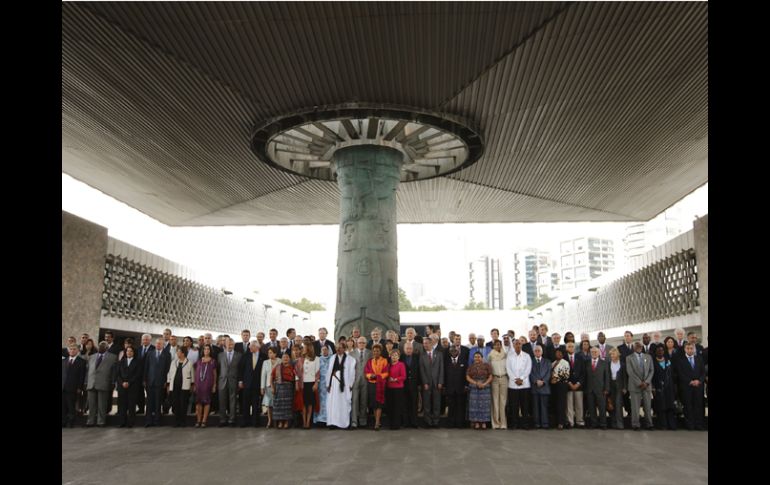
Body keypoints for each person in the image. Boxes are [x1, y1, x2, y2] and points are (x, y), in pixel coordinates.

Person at [326, 338, 356, 429]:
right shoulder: (332, 358)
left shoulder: (350, 359)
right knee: (334, 404)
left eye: (340, 348)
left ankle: (344, 423)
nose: (338, 349)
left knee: (344, 404)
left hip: (345, 384)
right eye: (337, 348)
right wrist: (328, 384)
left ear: (344, 348)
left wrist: (350, 384)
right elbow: (329, 372)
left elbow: (352, 372)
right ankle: (333, 423)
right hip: (334, 384)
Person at [86, 341, 117, 427]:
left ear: (107, 348)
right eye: (99, 345)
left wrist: (113, 382)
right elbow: (88, 370)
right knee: (91, 405)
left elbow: (114, 372)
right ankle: (90, 421)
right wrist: (86, 382)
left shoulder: (113, 357)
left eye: (103, 346)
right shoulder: (91, 357)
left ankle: (101, 421)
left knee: (102, 405)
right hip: (91, 383)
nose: (100, 347)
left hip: (104, 383)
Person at [675, 342, 706, 430]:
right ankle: (690, 425)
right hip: (686, 387)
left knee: (698, 406)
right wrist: (690, 381)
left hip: (698, 386)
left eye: (691, 348)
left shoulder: (699, 359)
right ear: (685, 349)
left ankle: (699, 424)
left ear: (694, 349)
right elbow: (680, 374)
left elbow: (703, 373)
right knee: (688, 406)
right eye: (688, 348)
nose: (690, 350)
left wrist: (699, 381)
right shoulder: (681, 361)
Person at [626, 341, 654, 430]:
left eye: (640, 346)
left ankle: (649, 424)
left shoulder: (648, 357)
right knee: (635, 407)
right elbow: (630, 372)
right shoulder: (629, 358)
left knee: (648, 406)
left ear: (642, 347)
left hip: (647, 386)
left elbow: (651, 370)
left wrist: (646, 382)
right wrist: (639, 383)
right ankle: (636, 425)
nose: (639, 347)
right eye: (636, 346)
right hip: (635, 386)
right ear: (633, 347)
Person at [506, 337, 532, 429]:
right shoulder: (509, 357)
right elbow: (508, 369)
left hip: (524, 384)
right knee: (514, 406)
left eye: (519, 344)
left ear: (522, 345)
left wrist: (521, 379)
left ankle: (525, 424)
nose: (517, 345)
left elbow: (528, 369)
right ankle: (514, 424)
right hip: (513, 385)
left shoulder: (527, 356)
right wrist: (515, 379)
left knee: (525, 405)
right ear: (513, 345)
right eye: (516, 344)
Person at [144, 338, 170, 427]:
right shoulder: (150, 353)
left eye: (160, 344)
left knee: (158, 402)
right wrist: (145, 380)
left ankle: (157, 421)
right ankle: (148, 421)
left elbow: (167, 369)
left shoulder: (167, 354)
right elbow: (146, 367)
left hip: (161, 382)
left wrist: (166, 381)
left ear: (163, 345)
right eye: (157, 343)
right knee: (149, 402)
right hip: (150, 381)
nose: (158, 345)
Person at [239, 341, 265, 428]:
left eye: (251, 347)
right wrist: (240, 381)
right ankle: (244, 421)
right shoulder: (246, 356)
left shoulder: (263, 356)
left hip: (257, 384)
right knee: (245, 403)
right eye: (249, 347)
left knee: (255, 404)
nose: (249, 348)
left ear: (257, 347)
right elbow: (241, 369)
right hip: (246, 383)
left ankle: (255, 422)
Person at [217, 338, 242, 427]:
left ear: (234, 345)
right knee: (222, 401)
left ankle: (232, 420)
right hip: (222, 381)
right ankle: (222, 420)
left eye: (232, 344)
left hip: (233, 381)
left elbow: (240, 370)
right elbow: (218, 369)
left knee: (233, 401)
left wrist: (240, 381)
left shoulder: (239, 355)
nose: (230, 346)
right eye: (228, 344)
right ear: (225, 344)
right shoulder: (220, 355)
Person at [419, 337, 444, 427]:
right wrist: (425, 382)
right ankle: (428, 422)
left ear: (431, 344)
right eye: (424, 343)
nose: (425, 345)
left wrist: (440, 382)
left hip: (437, 383)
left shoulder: (439, 354)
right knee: (426, 404)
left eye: (426, 343)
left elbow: (441, 369)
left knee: (437, 403)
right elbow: (422, 370)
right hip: (426, 384)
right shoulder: (422, 356)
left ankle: (436, 422)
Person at [166, 347, 194, 427]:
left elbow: (192, 375)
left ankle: (183, 421)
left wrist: (192, 385)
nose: (177, 353)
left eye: (178, 352)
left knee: (183, 404)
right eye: (177, 352)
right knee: (175, 404)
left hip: (184, 387)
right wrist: (168, 384)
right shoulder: (173, 362)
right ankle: (176, 421)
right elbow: (169, 373)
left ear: (183, 353)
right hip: (174, 386)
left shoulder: (189, 362)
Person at [364, 344, 389, 430]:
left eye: (377, 351)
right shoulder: (369, 361)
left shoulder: (384, 361)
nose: (376, 352)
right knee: (374, 404)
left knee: (379, 404)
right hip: (372, 384)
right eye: (374, 351)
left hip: (380, 384)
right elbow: (366, 372)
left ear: (380, 352)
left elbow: (386, 373)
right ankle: (377, 421)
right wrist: (371, 376)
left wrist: (378, 376)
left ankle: (377, 423)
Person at [652, 346, 677, 430]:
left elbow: (672, 374)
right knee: (661, 407)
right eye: (658, 351)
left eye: (662, 350)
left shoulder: (668, 361)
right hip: (659, 387)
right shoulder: (653, 362)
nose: (660, 352)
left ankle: (672, 425)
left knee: (670, 406)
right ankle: (663, 425)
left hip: (669, 387)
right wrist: (653, 387)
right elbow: (652, 376)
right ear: (656, 352)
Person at [466, 350, 493, 430]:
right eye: (475, 357)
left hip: (485, 388)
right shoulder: (471, 366)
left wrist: (484, 384)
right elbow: (467, 377)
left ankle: (484, 422)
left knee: (484, 406)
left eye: (478, 357)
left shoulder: (487, 365)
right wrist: (476, 383)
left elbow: (491, 376)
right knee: (475, 405)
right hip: (474, 388)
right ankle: (477, 422)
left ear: (482, 357)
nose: (477, 358)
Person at [116, 346, 141, 428]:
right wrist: (122, 382)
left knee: (131, 405)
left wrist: (129, 382)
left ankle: (131, 422)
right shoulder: (121, 362)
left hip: (132, 386)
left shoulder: (137, 362)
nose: (129, 352)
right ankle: (121, 422)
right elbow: (118, 374)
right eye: (127, 351)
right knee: (122, 405)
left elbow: (137, 375)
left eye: (130, 351)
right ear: (125, 352)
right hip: (122, 386)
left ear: (133, 353)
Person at [62, 345, 87, 428]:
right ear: (68, 351)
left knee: (71, 406)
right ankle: (63, 422)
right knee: (63, 406)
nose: (72, 351)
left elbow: (82, 376)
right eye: (71, 349)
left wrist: (79, 387)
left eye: (74, 349)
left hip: (73, 388)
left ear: (77, 351)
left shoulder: (82, 361)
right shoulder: (64, 361)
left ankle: (71, 422)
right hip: (63, 387)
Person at [585, 347, 609, 429]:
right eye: (592, 352)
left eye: (595, 352)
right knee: (591, 408)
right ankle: (593, 424)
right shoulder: (587, 363)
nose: (594, 353)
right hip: (590, 389)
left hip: (601, 389)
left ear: (599, 353)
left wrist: (606, 388)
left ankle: (603, 424)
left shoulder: (604, 363)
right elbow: (585, 376)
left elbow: (607, 377)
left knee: (602, 408)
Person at [193, 344, 217, 428]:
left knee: (207, 402)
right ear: (202, 351)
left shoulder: (213, 361)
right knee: (198, 402)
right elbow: (196, 373)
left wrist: (214, 385)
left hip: (208, 384)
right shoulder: (199, 361)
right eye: (205, 349)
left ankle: (204, 420)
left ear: (210, 351)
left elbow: (214, 374)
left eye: (208, 349)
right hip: (199, 384)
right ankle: (198, 420)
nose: (206, 351)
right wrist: (195, 385)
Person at [271, 353, 296, 429]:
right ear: (281, 359)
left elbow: (296, 378)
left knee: (287, 406)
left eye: (287, 357)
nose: (285, 358)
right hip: (278, 388)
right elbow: (271, 377)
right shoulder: (277, 367)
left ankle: (286, 422)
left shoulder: (292, 367)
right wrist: (272, 387)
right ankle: (280, 422)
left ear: (289, 359)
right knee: (279, 406)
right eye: (284, 357)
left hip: (288, 388)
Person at [564, 341, 586, 429]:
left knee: (579, 405)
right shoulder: (564, 358)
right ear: (566, 348)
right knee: (569, 405)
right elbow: (562, 372)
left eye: (572, 346)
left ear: (575, 348)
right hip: (568, 385)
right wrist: (569, 383)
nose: (571, 348)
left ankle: (579, 421)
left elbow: (583, 373)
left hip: (578, 385)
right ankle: (570, 422)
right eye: (569, 346)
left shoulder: (580, 357)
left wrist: (578, 383)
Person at [444, 346, 467, 428]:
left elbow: (466, 375)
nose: (453, 352)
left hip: (460, 388)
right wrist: (444, 386)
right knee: (451, 407)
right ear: (449, 352)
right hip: (450, 388)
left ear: (459, 351)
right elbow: (444, 375)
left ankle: (460, 424)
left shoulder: (463, 361)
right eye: (452, 350)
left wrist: (466, 385)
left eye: (455, 350)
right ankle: (450, 424)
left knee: (460, 407)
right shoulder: (446, 362)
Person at [299, 344, 320, 429]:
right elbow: (297, 371)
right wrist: (298, 383)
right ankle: (304, 422)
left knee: (310, 404)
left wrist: (316, 383)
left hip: (311, 382)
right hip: (303, 383)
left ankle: (308, 422)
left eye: (305, 348)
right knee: (303, 403)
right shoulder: (301, 359)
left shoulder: (316, 359)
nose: (304, 350)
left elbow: (318, 372)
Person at [530, 345, 551, 429]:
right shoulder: (530, 361)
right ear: (533, 352)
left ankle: (545, 423)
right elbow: (529, 373)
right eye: (536, 351)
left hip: (544, 387)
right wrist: (536, 381)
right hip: (534, 387)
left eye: (539, 350)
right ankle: (537, 423)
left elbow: (549, 373)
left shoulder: (547, 362)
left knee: (544, 406)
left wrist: (543, 381)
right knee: (535, 406)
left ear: (542, 352)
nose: (537, 352)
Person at [488, 339, 508, 429]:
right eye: (496, 345)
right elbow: (488, 368)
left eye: (499, 344)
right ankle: (495, 423)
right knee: (495, 401)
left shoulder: (505, 355)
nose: (498, 346)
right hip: (494, 379)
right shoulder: (490, 355)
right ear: (493, 346)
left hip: (504, 378)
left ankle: (503, 424)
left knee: (503, 402)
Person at [401, 341, 421, 428]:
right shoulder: (401, 357)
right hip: (403, 385)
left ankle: (414, 422)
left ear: (412, 349)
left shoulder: (417, 357)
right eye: (407, 348)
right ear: (404, 349)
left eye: (410, 348)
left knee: (414, 404)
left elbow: (419, 371)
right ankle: (405, 422)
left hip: (414, 385)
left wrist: (419, 384)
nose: (409, 350)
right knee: (405, 404)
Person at [550, 348, 570, 430]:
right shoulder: (554, 362)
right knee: (555, 403)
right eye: (556, 353)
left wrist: (556, 379)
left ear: (562, 354)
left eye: (559, 353)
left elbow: (566, 374)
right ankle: (555, 422)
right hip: (554, 386)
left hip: (562, 385)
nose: (558, 354)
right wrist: (552, 379)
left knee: (561, 404)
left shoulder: (565, 362)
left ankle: (561, 422)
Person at [386, 349, 406, 430]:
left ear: (398, 357)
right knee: (390, 406)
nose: (394, 357)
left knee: (397, 407)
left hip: (398, 389)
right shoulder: (388, 365)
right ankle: (390, 424)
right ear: (390, 356)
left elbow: (403, 376)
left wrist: (395, 379)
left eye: (396, 355)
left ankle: (396, 425)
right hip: (389, 388)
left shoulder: (401, 364)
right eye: (393, 355)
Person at [260, 346, 280, 428]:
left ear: (275, 353)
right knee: (269, 405)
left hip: (278, 386)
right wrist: (262, 387)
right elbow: (263, 375)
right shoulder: (265, 362)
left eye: (271, 352)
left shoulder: (280, 361)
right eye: (268, 353)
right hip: (268, 385)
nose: (269, 354)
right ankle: (269, 420)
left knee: (277, 404)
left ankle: (276, 420)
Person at [607, 348, 626, 430]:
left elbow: (625, 377)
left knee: (618, 404)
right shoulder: (608, 364)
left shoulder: (622, 364)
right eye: (611, 354)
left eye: (613, 354)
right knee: (612, 405)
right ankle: (613, 423)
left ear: (617, 354)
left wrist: (625, 387)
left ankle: (620, 424)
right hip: (611, 386)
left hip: (619, 386)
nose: (612, 356)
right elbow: (607, 377)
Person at [314, 345, 333, 425]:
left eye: (326, 350)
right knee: (320, 401)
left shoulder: (332, 359)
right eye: (323, 350)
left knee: (329, 401)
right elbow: (316, 371)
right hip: (320, 383)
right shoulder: (318, 359)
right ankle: (320, 419)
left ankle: (328, 419)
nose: (324, 351)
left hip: (330, 383)